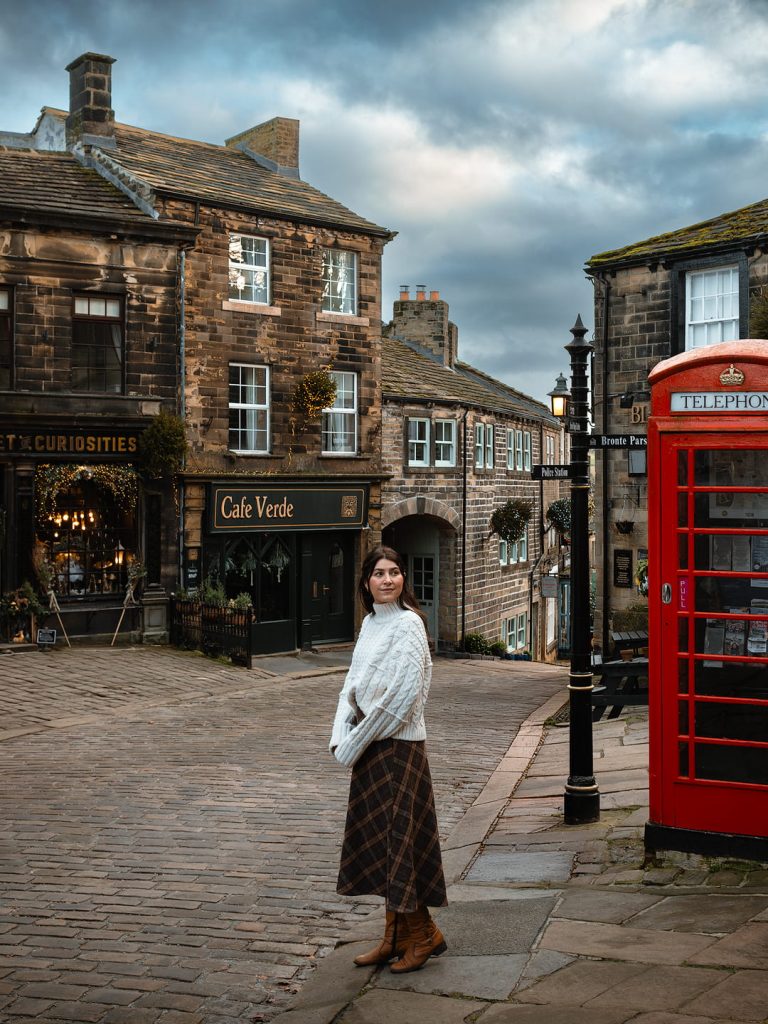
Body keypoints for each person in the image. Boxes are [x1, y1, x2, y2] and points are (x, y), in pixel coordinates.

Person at [330, 545, 447, 973]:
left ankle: (424, 935)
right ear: (366, 582)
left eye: (394, 572)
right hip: (370, 748)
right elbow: (352, 685)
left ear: (403, 580)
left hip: (398, 749)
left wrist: (355, 742)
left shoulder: (409, 625)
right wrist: (340, 733)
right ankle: (394, 935)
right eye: (379, 573)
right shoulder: (370, 625)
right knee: (383, 846)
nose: (387, 580)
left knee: (400, 844)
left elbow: (402, 699)